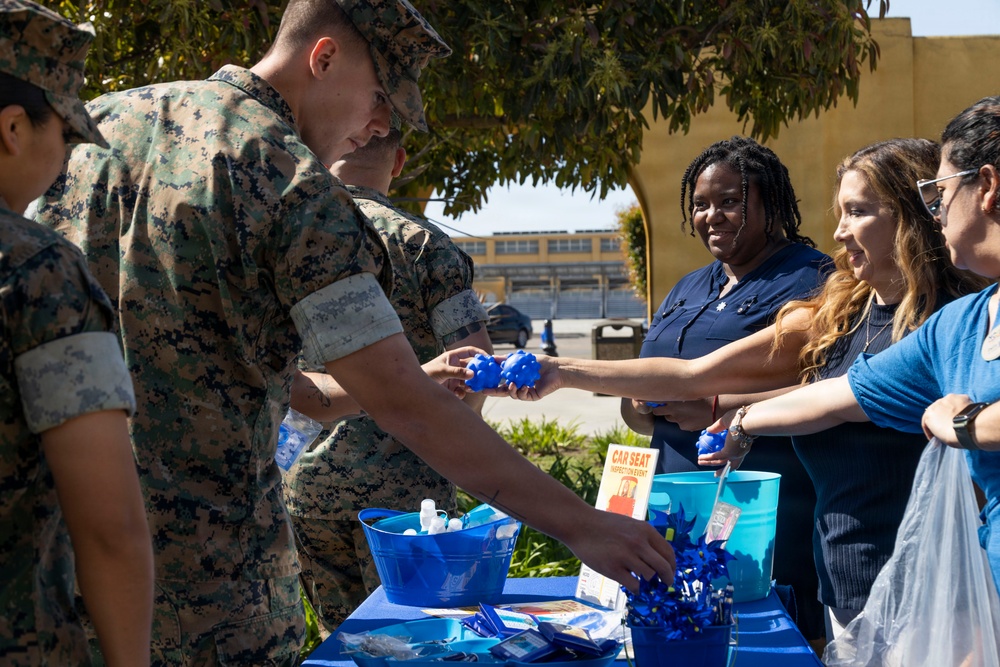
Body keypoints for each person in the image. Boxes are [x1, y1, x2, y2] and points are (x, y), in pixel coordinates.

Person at [30, 0, 674, 662]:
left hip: (57, 572)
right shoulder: (289, 179)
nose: (380, 127)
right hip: (210, 593)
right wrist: (582, 525)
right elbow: (400, 397)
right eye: (380, 98)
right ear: (325, 57)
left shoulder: (95, 127)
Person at [497, 137, 986, 642]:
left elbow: (842, 397)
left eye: (857, 212)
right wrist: (562, 371)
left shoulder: (953, 322)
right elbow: (703, 375)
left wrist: (735, 416)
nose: (839, 232)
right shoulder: (839, 310)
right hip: (845, 576)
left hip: (933, 583)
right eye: (840, 212)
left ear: (913, 215)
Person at [699, 96, 1000, 599]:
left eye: (941, 191)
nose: (938, 210)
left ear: (986, 187)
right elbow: (838, 396)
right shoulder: (960, 323)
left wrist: (966, 423)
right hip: (864, 589)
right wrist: (741, 421)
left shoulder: (942, 315)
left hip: (931, 590)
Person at [284, 124, 493, 632]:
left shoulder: (294, 240)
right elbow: (475, 363)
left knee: (345, 643)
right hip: (409, 499)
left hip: (308, 485)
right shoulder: (423, 244)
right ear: (398, 162)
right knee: (422, 635)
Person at [625, 136, 831, 642]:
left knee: (765, 641)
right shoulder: (689, 286)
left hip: (764, 511)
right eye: (700, 205)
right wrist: (638, 404)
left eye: (730, 201)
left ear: (770, 204)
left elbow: (826, 385)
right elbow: (641, 401)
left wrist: (720, 407)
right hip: (677, 510)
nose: (711, 216)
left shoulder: (813, 280)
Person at [0, 2, 154, 664]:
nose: (66, 156)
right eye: (63, 133)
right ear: (13, 128)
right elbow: (111, 529)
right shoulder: (37, 270)